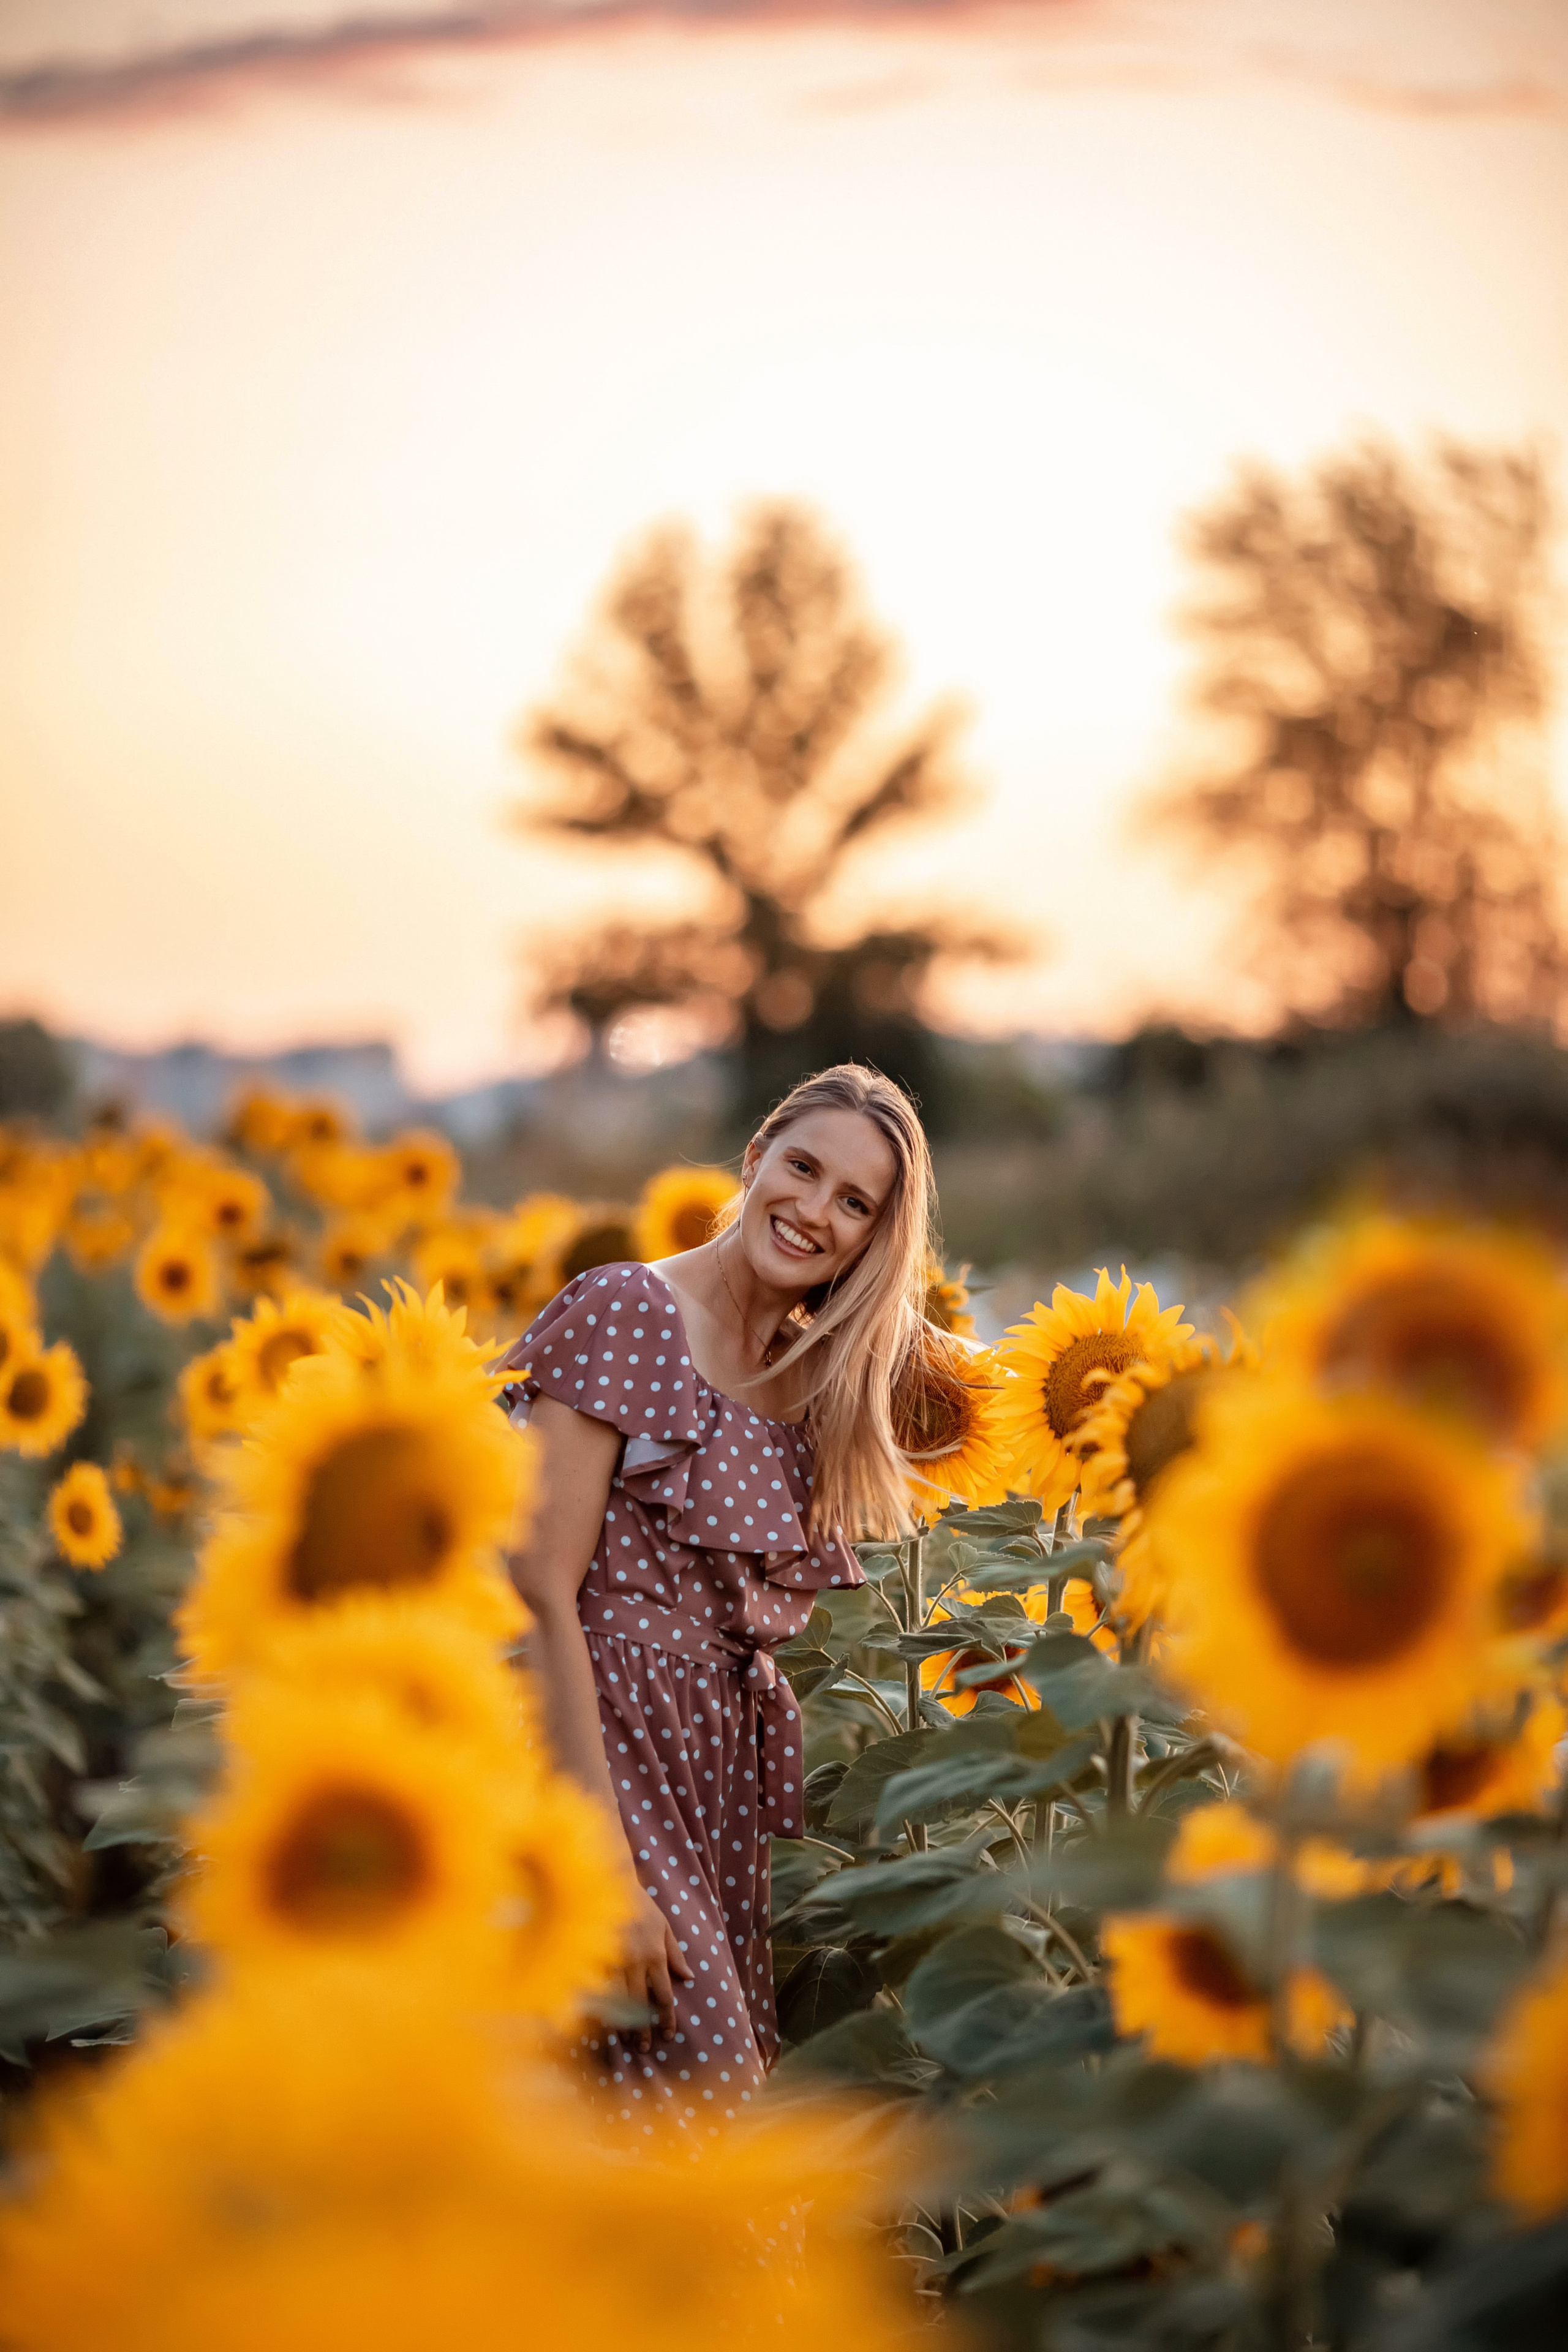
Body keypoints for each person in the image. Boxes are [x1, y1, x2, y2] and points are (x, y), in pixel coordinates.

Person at [500, 1064, 937, 2133]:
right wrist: (604, 1861)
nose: (814, 1212)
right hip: (602, 1748)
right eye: (802, 1168)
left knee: (643, 2127)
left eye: (854, 1204)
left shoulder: (811, 1380)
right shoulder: (629, 1310)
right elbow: (538, 1595)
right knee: (712, 2107)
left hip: (717, 1774)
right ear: (755, 1158)